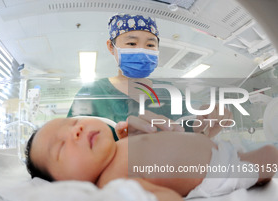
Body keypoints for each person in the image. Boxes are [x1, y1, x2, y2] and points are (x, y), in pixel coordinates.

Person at [25, 117, 276, 201]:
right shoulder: (114, 183)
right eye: (60, 147)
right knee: (270, 156)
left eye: (71, 122)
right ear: (65, 185)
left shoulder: (119, 144)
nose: (75, 131)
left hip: (217, 148)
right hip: (221, 170)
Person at [67, 13, 232, 140]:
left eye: (150, 45)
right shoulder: (93, 93)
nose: (142, 51)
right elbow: (72, 144)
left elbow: (189, 139)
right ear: (111, 47)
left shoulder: (170, 93)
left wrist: (205, 128)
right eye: (131, 43)